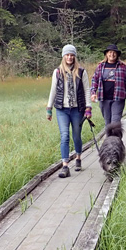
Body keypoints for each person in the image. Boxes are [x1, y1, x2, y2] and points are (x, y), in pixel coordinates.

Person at [46, 44, 91, 178]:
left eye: (72, 55)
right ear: (63, 56)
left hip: (77, 109)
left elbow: (87, 90)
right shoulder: (58, 72)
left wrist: (88, 108)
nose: (69, 57)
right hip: (62, 109)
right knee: (64, 136)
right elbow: (53, 90)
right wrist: (49, 109)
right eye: (67, 55)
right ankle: (65, 166)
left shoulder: (81, 72)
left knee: (76, 136)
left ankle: (78, 157)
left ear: (74, 57)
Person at [90, 44, 126, 124]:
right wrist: (93, 93)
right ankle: (109, 136)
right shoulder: (100, 66)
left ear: (117, 54)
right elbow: (94, 80)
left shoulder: (123, 67)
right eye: (110, 52)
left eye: (114, 52)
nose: (112, 54)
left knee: (115, 122)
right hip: (104, 98)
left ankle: (115, 136)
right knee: (107, 122)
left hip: (118, 98)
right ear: (106, 54)